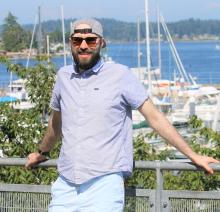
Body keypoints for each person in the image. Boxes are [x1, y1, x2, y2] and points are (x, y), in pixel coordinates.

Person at [26, 18, 219, 212]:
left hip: (104, 185)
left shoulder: (120, 75)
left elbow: (154, 117)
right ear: (70, 43)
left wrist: (193, 155)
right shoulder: (63, 76)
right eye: (77, 40)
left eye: (90, 40)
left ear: (102, 43)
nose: (83, 46)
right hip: (65, 184)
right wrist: (41, 153)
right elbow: (55, 124)